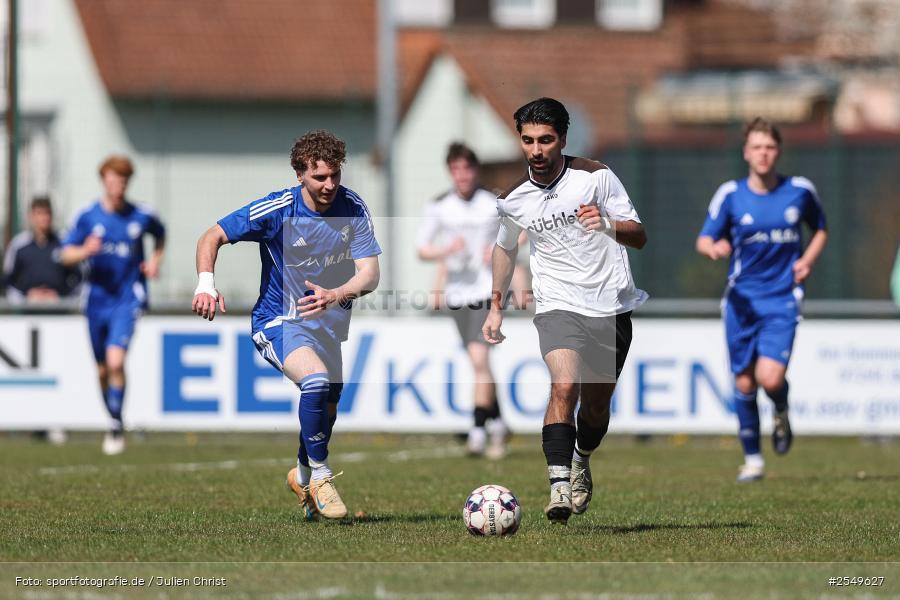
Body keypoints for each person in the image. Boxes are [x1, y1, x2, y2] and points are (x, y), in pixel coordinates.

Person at [192, 130, 381, 520]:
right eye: (319, 177)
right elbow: (212, 235)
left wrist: (336, 293)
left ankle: (303, 476)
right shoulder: (277, 208)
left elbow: (371, 274)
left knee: (326, 411)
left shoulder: (352, 207)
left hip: (328, 323)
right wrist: (206, 284)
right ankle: (323, 476)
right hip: (278, 320)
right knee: (314, 382)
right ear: (300, 175)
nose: (329, 185)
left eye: (335, 176)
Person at [482, 98, 648, 524]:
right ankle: (558, 484)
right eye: (528, 141)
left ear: (563, 140)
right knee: (563, 385)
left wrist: (608, 224)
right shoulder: (514, 199)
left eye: (546, 140)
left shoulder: (596, 177)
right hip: (557, 304)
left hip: (610, 305)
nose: (536, 150)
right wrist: (496, 305)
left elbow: (639, 235)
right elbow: (503, 248)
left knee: (594, 411)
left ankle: (581, 457)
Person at [696, 117, 827, 482]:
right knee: (744, 384)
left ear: (778, 151)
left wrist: (807, 261)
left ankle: (781, 407)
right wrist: (715, 247)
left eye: (769, 147)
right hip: (741, 301)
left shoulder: (799, 191)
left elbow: (821, 228)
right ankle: (753, 460)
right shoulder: (730, 194)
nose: (763, 154)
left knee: (769, 378)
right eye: (756, 147)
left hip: (782, 298)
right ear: (746, 153)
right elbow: (704, 239)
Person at [61, 156, 166, 455]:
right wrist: (84, 250)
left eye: (122, 180)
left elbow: (161, 235)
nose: (117, 185)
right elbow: (64, 255)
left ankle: (115, 424)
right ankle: (113, 417)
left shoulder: (141, 215)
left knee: (116, 361)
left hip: (128, 298)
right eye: (112, 179)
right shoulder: (87, 216)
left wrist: (154, 262)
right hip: (96, 301)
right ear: (103, 181)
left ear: (127, 183)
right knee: (102, 369)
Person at [417, 142, 509, 459]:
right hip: (457, 295)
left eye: (467, 168)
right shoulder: (440, 206)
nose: (462, 175)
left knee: (479, 359)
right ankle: (498, 423)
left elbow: (519, 233)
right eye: (456, 169)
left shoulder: (492, 201)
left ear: (475, 170)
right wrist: (445, 250)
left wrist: (498, 249)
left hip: (487, 291)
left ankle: (478, 431)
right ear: (450, 172)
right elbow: (422, 248)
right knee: (478, 363)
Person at [3, 196, 81, 305]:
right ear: (31, 216)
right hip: (27, 313)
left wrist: (60, 295)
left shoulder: (64, 243)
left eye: (47, 213)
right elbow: (8, 281)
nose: (43, 218)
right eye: (39, 213)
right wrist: (27, 295)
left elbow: (79, 277)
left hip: (60, 313)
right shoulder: (18, 245)